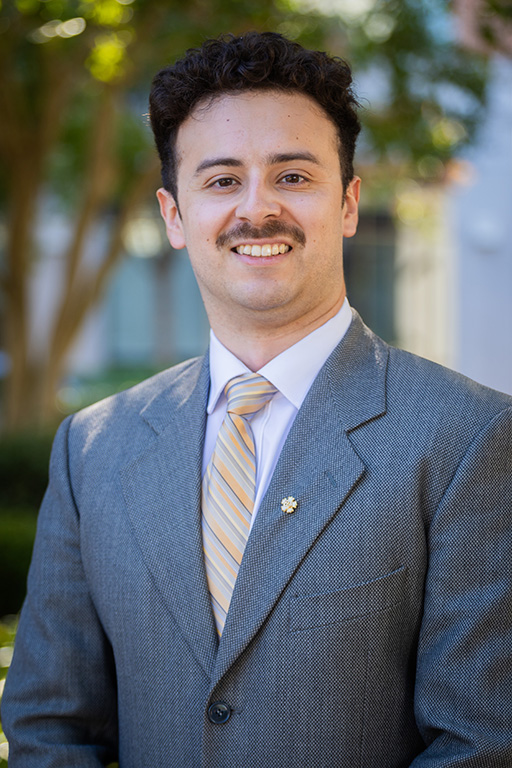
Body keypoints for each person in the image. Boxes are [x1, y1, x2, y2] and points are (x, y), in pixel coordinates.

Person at [2, 31, 512, 768]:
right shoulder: (93, 447)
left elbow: (484, 747)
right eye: (220, 180)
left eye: (294, 176)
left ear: (348, 202)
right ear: (175, 217)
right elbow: (50, 730)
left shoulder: (470, 438)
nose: (257, 209)